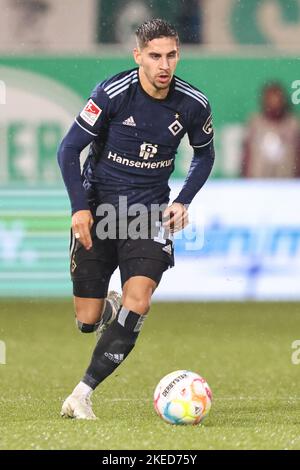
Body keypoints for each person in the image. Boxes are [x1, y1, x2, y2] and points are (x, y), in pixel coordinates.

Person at [57, 18, 214, 419]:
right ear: (138, 56)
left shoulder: (193, 104)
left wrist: (183, 200)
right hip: (100, 211)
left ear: (178, 55)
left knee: (139, 301)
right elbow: (67, 150)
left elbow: (204, 153)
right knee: (87, 320)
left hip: (149, 215)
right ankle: (107, 310)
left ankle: (82, 393)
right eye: (155, 56)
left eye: (172, 55)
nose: (164, 65)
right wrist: (79, 208)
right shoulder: (112, 94)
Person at [241, 82, 300, 178]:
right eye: (270, 99)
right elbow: (247, 155)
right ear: (264, 101)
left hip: (287, 184)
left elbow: (298, 155)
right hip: (257, 184)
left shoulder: (293, 125)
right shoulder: (255, 123)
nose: (274, 103)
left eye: (277, 99)